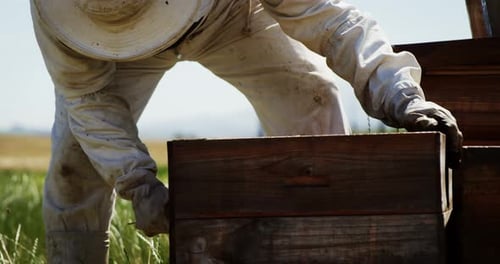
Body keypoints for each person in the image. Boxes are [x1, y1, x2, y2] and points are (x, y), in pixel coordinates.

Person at [30, 0, 462, 263]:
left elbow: (333, 22)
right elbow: (87, 99)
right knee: (74, 168)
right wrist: (138, 184)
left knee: (311, 98)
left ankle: (326, 246)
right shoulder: (57, 16)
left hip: (227, 14)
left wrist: (400, 94)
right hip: (104, 52)